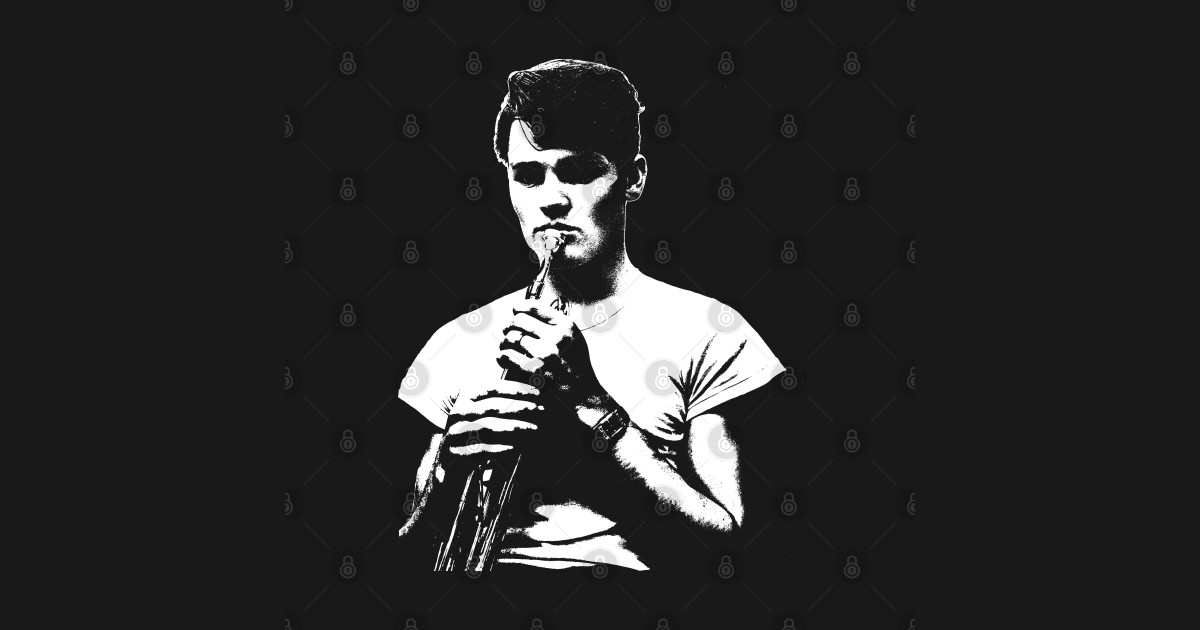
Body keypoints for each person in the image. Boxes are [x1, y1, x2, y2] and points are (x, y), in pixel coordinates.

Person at [397, 59, 785, 572]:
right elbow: (402, 562)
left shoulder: (712, 331)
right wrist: (447, 469)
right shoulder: (456, 342)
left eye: (579, 172)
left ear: (633, 179)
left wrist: (589, 403)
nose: (552, 201)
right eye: (527, 176)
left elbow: (735, 548)